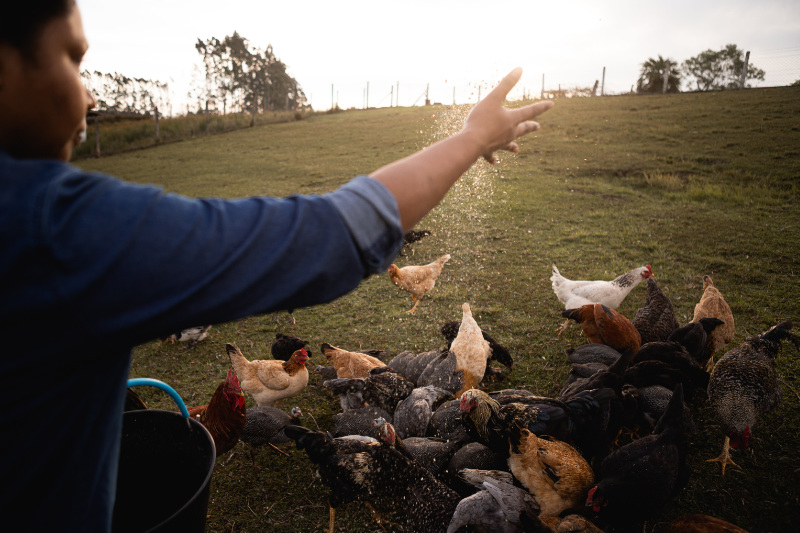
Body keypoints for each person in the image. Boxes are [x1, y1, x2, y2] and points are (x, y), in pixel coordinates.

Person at [0, 1, 553, 530]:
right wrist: (472, 138)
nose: (90, 96)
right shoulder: (52, 229)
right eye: (73, 59)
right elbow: (326, 235)